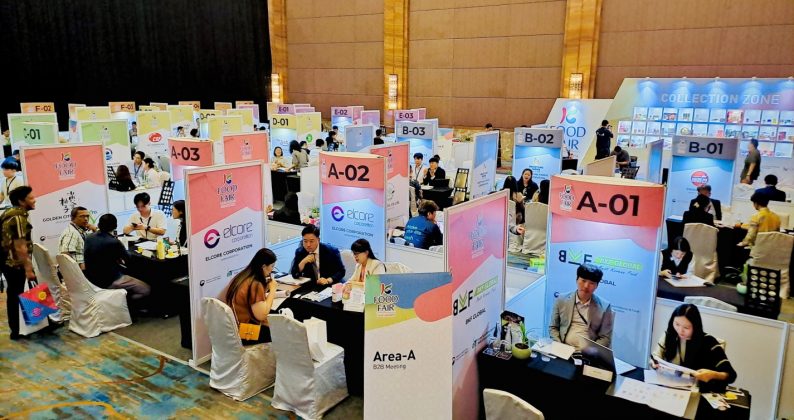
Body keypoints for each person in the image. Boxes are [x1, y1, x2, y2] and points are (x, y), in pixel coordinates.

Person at [651, 304, 737, 392]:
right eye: (677, 324)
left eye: (686, 327)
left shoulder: (709, 342)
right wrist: (653, 363)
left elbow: (731, 375)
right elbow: (655, 357)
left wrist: (712, 374)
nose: (680, 330)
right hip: (669, 388)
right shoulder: (668, 336)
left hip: (697, 392)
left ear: (695, 326)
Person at [84, 214, 151, 301]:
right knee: (146, 289)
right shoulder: (114, 242)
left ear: (99, 224)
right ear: (115, 226)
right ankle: (124, 303)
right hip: (110, 280)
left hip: (92, 279)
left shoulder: (89, 237)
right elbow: (129, 260)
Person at [549, 263, 614, 350]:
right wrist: (559, 346)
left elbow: (605, 338)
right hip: (563, 349)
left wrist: (590, 351)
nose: (586, 286)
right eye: (583, 281)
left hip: (588, 353)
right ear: (577, 280)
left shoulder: (604, 307)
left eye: (591, 283)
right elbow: (553, 327)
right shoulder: (561, 299)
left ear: (597, 286)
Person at [0, 186, 37, 339]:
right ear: (22, 201)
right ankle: (18, 330)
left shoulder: (9, 213)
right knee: (17, 295)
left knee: (14, 294)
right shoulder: (18, 218)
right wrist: (28, 268)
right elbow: (20, 246)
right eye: (31, 198)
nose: (34, 200)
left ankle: (17, 328)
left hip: (7, 262)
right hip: (15, 263)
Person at [225, 248, 278, 344]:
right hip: (246, 333)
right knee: (280, 331)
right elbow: (262, 315)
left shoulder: (242, 276)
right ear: (263, 266)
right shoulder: (255, 284)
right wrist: (273, 289)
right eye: (272, 266)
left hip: (234, 329)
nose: (272, 270)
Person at [58, 206, 98, 271]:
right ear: (73, 218)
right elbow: (66, 254)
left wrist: (94, 229)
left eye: (87, 216)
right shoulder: (72, 232)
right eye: (82, 216)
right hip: (78, 271)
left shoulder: (79, 230)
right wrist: (80, 270)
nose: (86, 219)